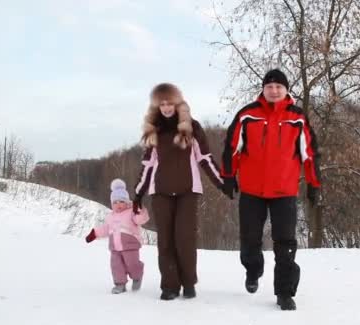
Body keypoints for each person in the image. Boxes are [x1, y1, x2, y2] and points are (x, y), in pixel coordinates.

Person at [220, 69, 321, 310]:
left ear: (286, 90)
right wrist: (228, 176)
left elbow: (311, 154)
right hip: (252, 190)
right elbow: (231, 146)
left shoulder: (297, 117)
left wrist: (314, 184)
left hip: (284, 191)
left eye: (279, 87)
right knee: (250, 239)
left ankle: (285, 292)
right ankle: (253, 271)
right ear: (263, 90)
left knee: (285, 243)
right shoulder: (247, 114)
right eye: (269, 87)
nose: (274, 91)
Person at [133, 83, 223, 300]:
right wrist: (137, 193)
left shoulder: (192, 127)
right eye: (161, 104)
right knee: (165, 240)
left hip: (187, 191)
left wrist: (223, 182)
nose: (166, 107)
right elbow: (147, 166)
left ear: (177, 103)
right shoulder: (154, 130)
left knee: (184, 238)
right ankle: (169, 286)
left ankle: (189, 282)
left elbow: (204, 158)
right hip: (161, 192)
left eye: (169, 103)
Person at [85, 179, 149, 294]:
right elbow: (105, 229)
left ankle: (137, 276)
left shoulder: (131, 212)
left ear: (127, 202)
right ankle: (120, 284)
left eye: (121, 201)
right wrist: (94, 233)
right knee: (116, 266)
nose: (118, 204)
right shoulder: (110, 216)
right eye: (115, 202)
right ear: (111, 204)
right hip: (115, 248)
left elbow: (140, 220)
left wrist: (141, 210)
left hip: (130, 246)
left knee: (132, 264)